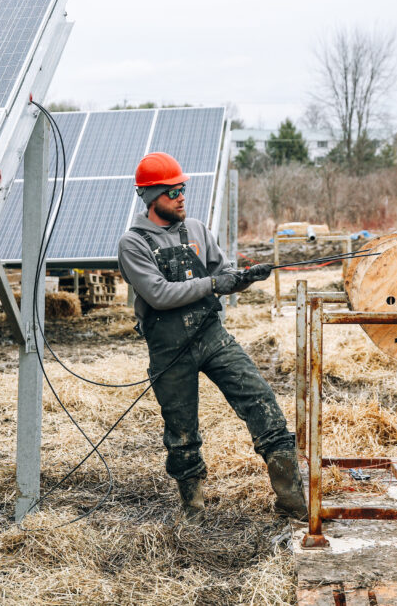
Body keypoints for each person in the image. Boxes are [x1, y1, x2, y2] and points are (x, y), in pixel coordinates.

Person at [117, 152, 308, 521]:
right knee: (182, 433)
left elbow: (223, 275)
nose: (182, 196)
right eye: (174, 191)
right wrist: (214, 283)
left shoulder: (198, 231)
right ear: (152, 197)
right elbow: (158, 293)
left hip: (212, 337)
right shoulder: (134, 244)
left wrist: (245, 277)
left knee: (262, 403)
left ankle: (292, 501)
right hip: (169, 349)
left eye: (183, 188)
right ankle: (194, 510)